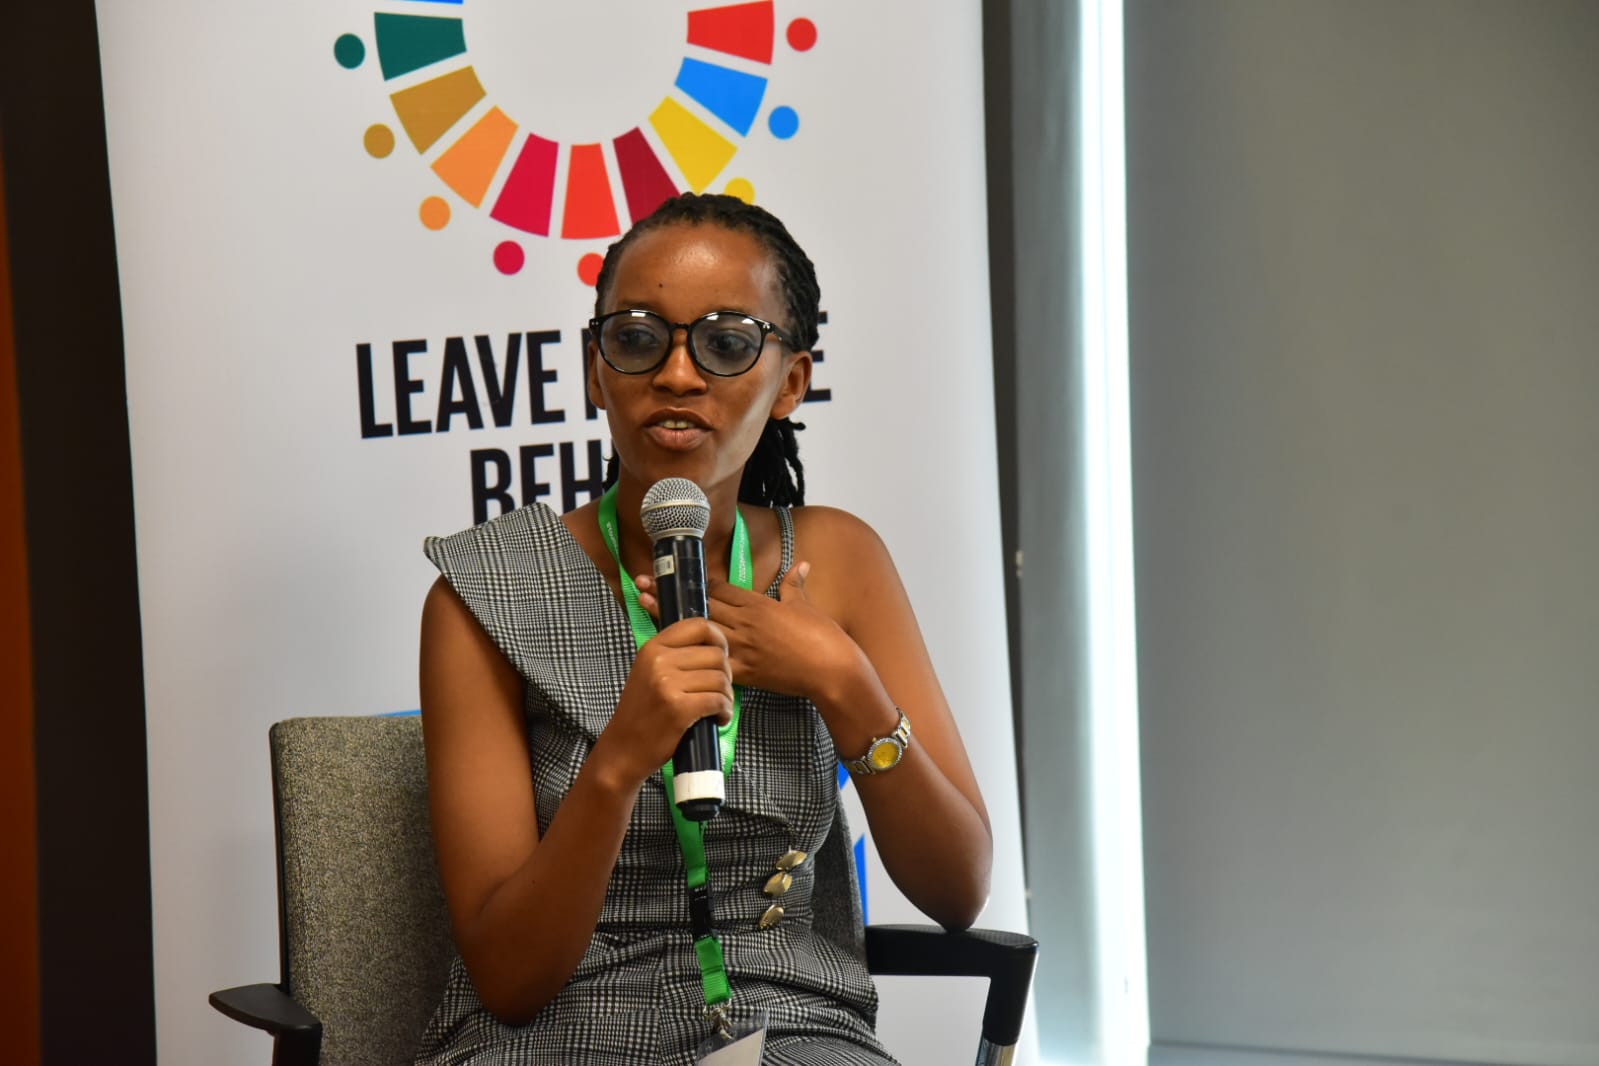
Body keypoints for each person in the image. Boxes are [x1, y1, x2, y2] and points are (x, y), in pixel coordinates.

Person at [415, 193, 992, 1065]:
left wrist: (845, 682)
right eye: (639, 338)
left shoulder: (837, 560)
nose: (677, 375)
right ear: (595, 368)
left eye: (726, 343)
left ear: (790, 381)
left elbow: (957, 891)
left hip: (791, 1024)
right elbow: (508, 978)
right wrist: (619, 759)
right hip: (559, 1032)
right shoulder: (483, 589)